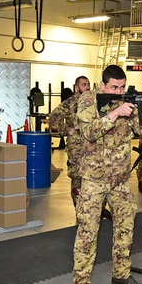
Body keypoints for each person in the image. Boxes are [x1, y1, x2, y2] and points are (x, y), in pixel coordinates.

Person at [71, 65, 142, 284]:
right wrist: (114, 113)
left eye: (122, 87)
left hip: (120, 178)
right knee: (88, 232)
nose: (119, 91)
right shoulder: (89, 99)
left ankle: (121, 274)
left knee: (126, 226)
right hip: (93, 179)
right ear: (103, 85)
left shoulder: (127, 100)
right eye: (114, 87)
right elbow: (88, 132)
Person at [48, 76, 91, 209]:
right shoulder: (70, 103)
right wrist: (67, 130)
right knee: (77, 177)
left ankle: (95, 209)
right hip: (76, 146)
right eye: (84, 85)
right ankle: (79, 208)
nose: (87, 87)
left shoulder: (93, 102)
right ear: (76, 87)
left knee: (92, 177)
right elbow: (53, 117)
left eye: (88, 84)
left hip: (92, 144)